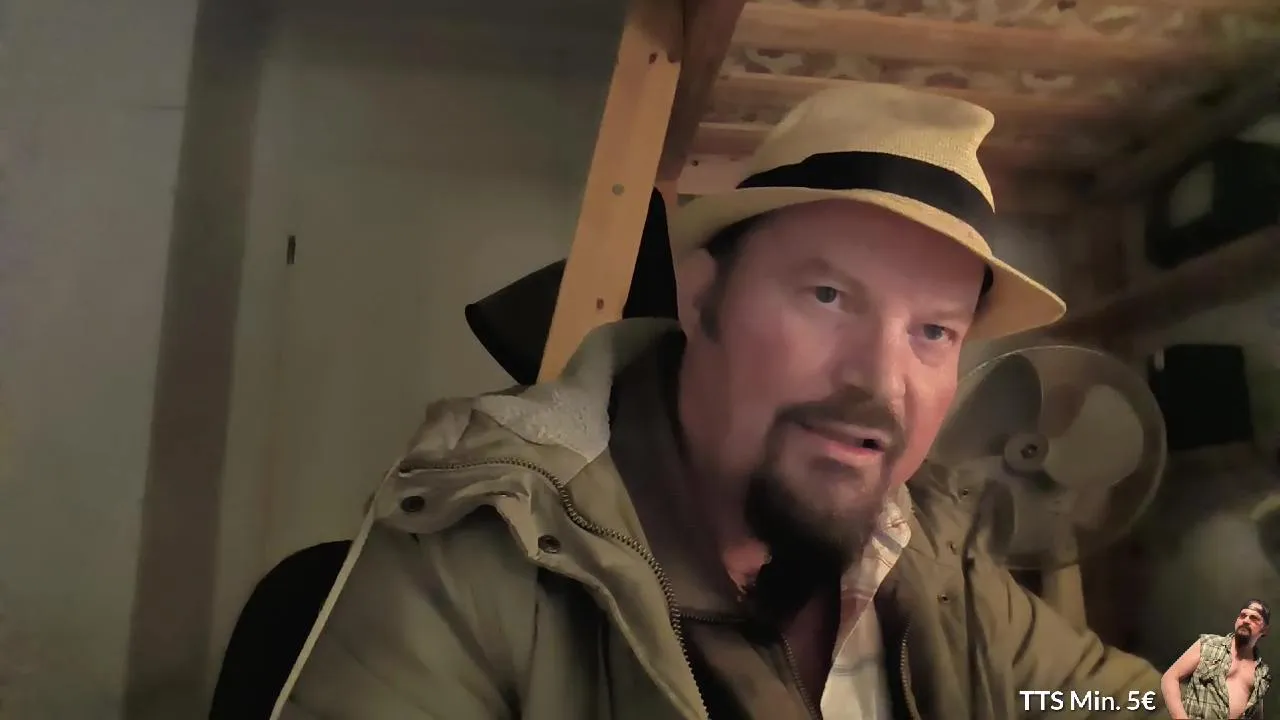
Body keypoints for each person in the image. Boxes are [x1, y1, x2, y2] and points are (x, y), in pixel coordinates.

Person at [271, 84, 1163, 719]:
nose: (880, 382)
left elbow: (1110, 703)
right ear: (702, 302)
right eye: (829, 297)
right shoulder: (486, 557)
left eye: (933, 332)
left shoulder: (927, 550)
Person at [1161, 599, 1273, 719]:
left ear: (1264, 630)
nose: (1246, 620)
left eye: (1254, 618)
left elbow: (1256, 713)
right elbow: (1170, 677)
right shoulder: (1208, 644)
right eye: (1243, 615)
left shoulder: (1261, 673)